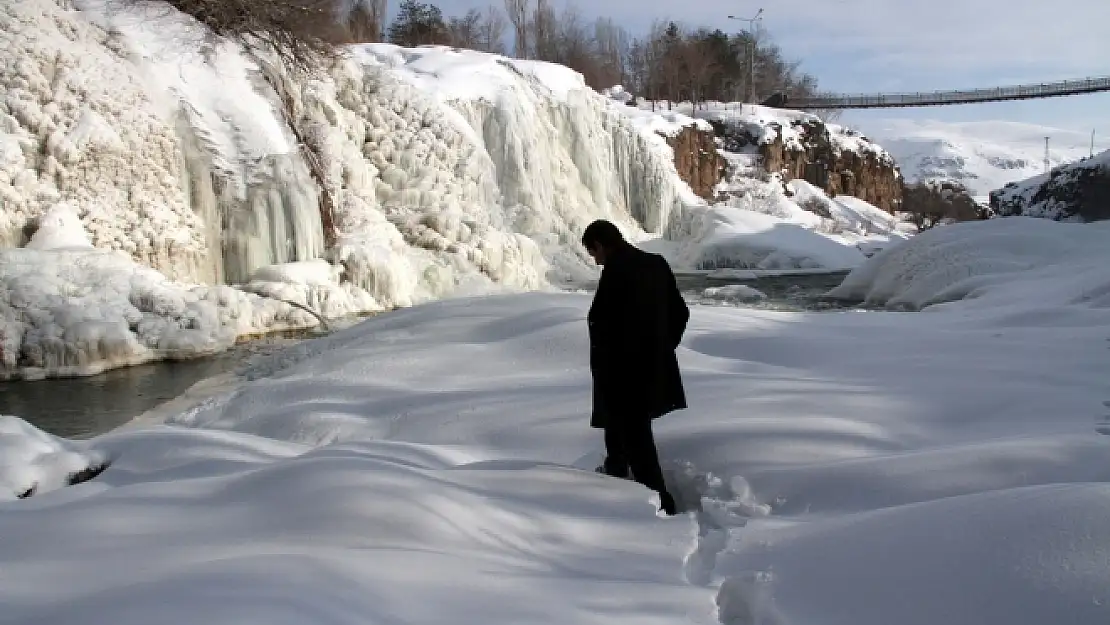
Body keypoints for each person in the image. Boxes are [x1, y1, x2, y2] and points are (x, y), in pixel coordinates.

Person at [582, 219, 689, 516]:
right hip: (651, 367)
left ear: (601, 245)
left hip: (622, 372)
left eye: (594, 254)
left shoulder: (616, 271)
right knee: (620, 428)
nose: (596, 260)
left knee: (636, 436)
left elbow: (609, 325)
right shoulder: (655, 264)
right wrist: (664, 348)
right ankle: (616, 472)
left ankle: (661, 502)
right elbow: (680, 312)